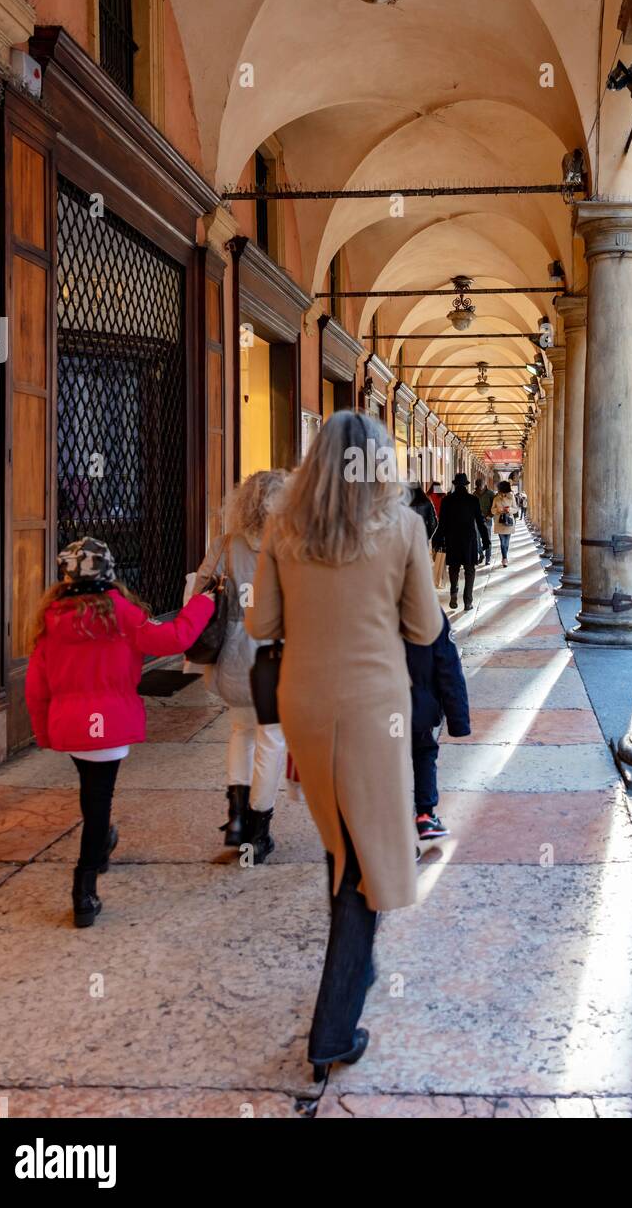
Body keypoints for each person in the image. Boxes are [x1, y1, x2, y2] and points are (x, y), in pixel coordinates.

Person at [247, 411, 441, 1081]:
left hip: (304, 703)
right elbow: (424, 628)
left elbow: (262, 621)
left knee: (345, 843)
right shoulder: (404, 526)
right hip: (373, 711)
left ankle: (359, 968)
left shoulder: (282, 527)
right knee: (363, 859)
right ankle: (332, 1028)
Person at [25, 537, 215, 928]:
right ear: (110, 574)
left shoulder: (50, 620)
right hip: (110, 724)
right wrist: (204, 603)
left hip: (70, 725)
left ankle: (103, 842)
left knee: (92, 794)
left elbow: (35, 686)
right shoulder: (123, 614)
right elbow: (175, 638)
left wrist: (44, 732)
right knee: (98, 800)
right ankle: (84, 885)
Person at [193, 469, 287, 859]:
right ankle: (258, 829)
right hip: (275, 654)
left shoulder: (224, 544)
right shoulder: (292, 545)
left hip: (232, 654)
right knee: (272, 738)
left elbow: (199, 593)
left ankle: (235, 817)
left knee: (240, 731)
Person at [405, 610, 470, 843]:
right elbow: (448, 667)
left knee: (383, 767)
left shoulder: (367, 607)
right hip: (417, 709)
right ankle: (425, 815)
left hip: (373, 710)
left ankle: (393, 830)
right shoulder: (427, 611)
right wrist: (458, 720)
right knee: (423, 752)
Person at [434, 472, 491, 611]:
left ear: (454, 484)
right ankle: (468, 602)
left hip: (452, 539)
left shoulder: (447, 500)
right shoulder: (473, 500)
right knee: (469, 570)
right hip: (469, 540)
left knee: (453, 568)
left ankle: (454, 593)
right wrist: (486, 540)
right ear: (466, 485)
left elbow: (442, 524)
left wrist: (437, 540)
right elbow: (480, 522)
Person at [491, 480, 519, 567]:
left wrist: (509, 510)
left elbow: (516, 509)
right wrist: (498, 510)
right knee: (502, 542)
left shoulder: (512, 497)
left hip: (509, 521)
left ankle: (504, 557)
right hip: (500, 522)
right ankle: (504, 558)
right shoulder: (496, 498)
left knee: (506, 543)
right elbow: (492, 510)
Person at [473, 476, 495, 565]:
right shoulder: (474, 494)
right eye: (478, 487)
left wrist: (490, 515)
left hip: (487, 519)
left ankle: (488, 558)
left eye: (480, 487)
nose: (479, 489)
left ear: (484, 485)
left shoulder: (490, 494)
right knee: (477, 539)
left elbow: (494, 506)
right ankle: (481, 554)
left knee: (487, 539)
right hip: (477, 520)